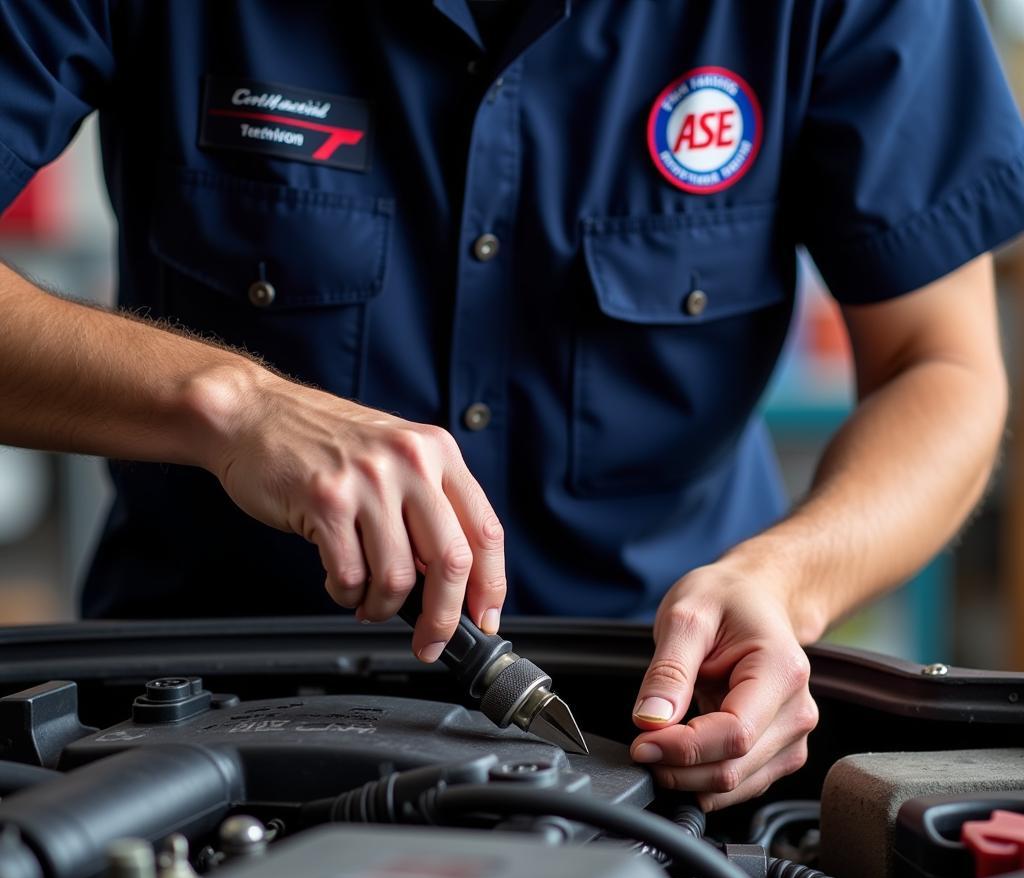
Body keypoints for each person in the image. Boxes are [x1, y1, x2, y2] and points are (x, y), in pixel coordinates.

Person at [0, 1, 1020, 811]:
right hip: (193, 719)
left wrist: (787, 582)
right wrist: (229, 403)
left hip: (658, 726)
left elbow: (943, 369)